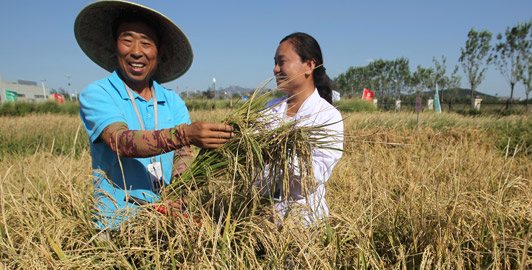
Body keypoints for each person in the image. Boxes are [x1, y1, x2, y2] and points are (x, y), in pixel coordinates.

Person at [74, 1, 233, 230]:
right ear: (114, 46)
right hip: (118, 224)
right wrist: (186, 134)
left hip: (166, 222)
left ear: (158, 54)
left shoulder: (172, 101)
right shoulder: (98, 93)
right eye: (127, 40)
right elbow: (122, 141)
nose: (136, 51)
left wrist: (180, 187)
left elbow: (183, 154)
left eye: (146, 43)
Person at [261, 32, 344, 224]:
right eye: (274, 62)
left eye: (281, 62)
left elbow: (318, 172)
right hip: (262, 217)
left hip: (304, 221)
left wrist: (276, 153)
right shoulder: (269, 109)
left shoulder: (327, 116)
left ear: (309, 65)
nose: (275, 69)